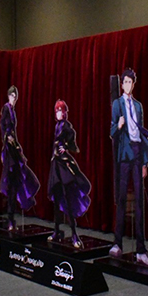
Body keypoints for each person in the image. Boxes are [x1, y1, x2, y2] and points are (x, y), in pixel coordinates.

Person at [109, 68, 148, 267]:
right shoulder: (117, 104)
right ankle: (117, 243)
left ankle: (140, 250)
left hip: (137, 153)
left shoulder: (138, 106)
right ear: (122, 84)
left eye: (131, 82)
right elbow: (112, 131)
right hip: (124, 155)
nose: (128, 85)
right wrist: (119, 125)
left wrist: (144, 162)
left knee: (139, 201)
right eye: (126, 82)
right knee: (122, 199)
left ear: (133, 84)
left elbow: (141, 134)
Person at [47, 100, 92, 248]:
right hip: (56, 164)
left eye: (60, 110)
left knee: (67, 197)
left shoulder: (66, 126)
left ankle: (74, 234)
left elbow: (72, 141)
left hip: (64, 164)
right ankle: (56, 230)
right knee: (56, 197)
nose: (58, 113)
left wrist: (65, 146)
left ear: (64, 112)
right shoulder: (57, 126)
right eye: (57, 111)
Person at [0, 85, 40, 230]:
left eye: (15, 96)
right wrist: (7, 138)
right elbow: (3, 125)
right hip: (9, 150)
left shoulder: (12, 110)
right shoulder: (6, 108)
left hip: (14, 148)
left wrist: (16, 145)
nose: (14, 99)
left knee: (18, 181)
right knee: (12, 184)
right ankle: (10, 218)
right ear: (8, 96)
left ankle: (14, 214)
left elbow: (12, 131)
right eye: (12, 96)